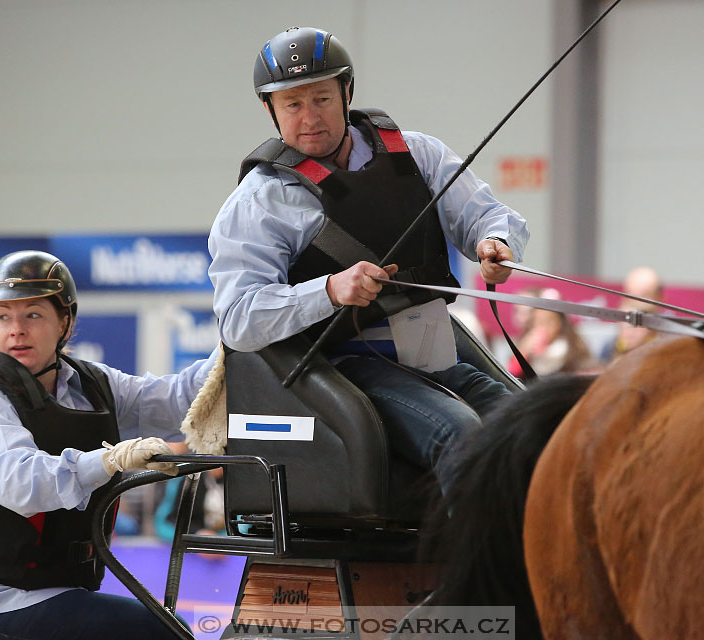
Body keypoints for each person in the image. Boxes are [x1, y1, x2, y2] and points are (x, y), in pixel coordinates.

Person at [209, 27, 529, 492]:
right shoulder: (258, 202)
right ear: (270, 110)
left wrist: (494, 243)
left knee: (532, 429)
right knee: (461, 434)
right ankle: (480, 566)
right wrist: (329, 290)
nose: (309, 117)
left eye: (321, 98)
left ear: (347, 91)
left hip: (433, 351)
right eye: (292, 104)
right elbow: (238, 319)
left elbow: (490, 217)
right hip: (346, 368)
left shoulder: (417, 154)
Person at [0, 250, 217, 639]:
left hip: (48, 592)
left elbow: (175, 400)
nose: (16, 329)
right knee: (155, 632)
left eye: (33, 315)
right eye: (3, 316)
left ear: (65, 323)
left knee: (163, 629)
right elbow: (20, 483)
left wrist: (235, 352)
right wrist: (109, 460)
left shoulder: (93, 385)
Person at [508, 289, 593, 377]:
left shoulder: (573, 349)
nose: (544, 328)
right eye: (539, 322)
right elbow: (511, 375)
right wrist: (523, 353)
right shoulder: (525, 348)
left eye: (549, 322)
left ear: (560, 323)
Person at [600, 266, 663, 363]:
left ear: (659, 297)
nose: (636, 301)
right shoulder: (609, 347)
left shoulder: (666, 345)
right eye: (630, 294)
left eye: (645, 294)